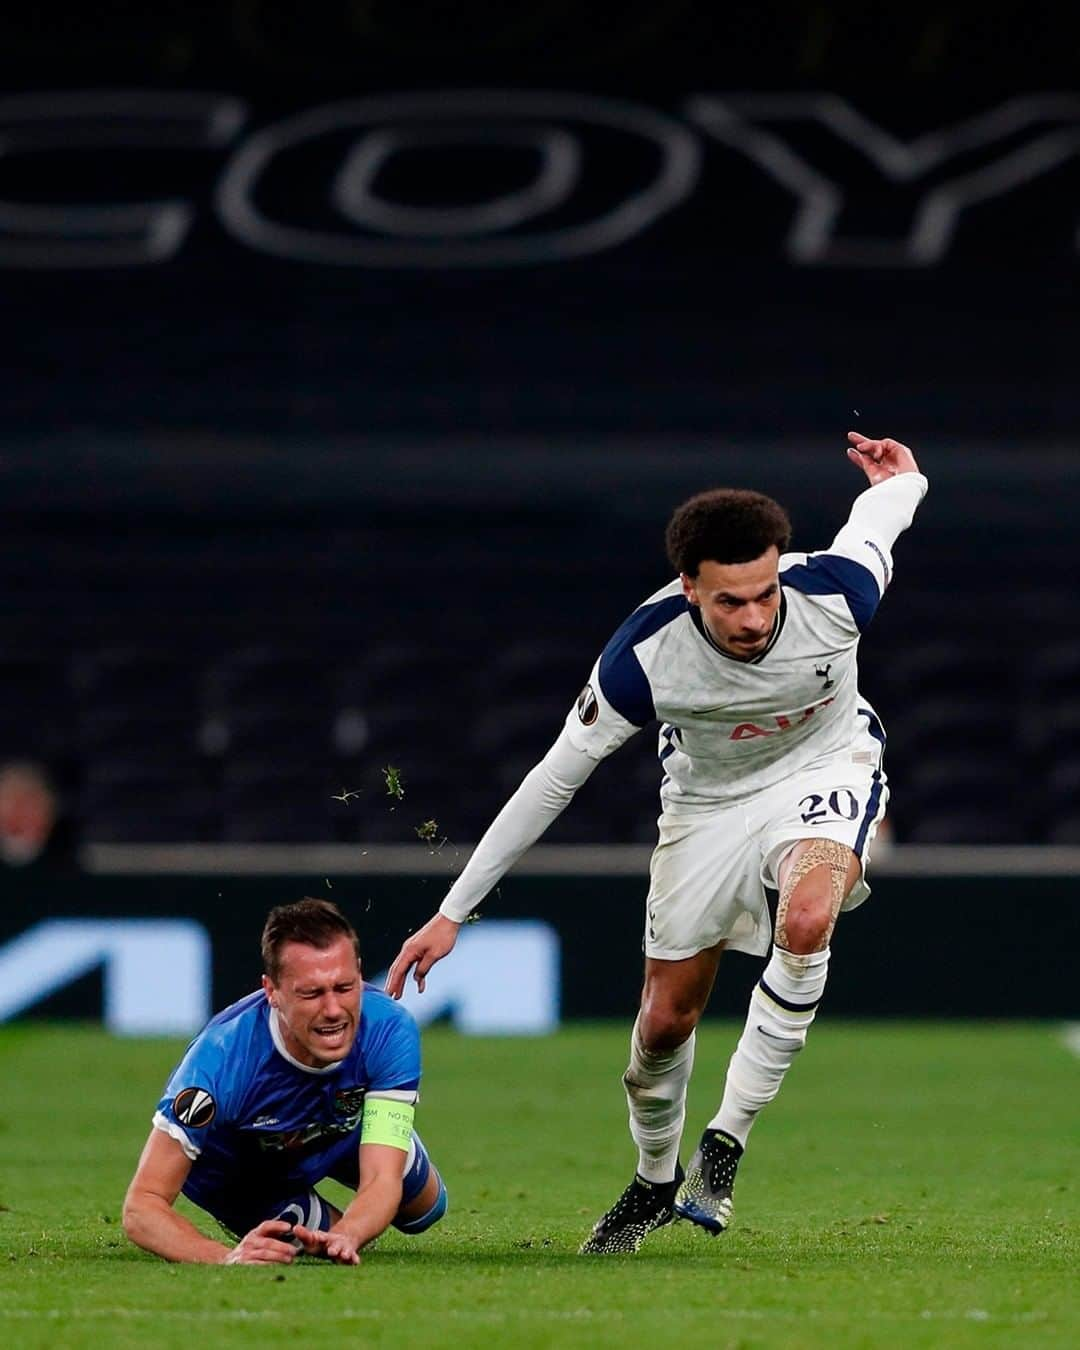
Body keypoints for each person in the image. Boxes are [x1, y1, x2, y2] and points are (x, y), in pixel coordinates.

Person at [387, 432, 927, 1253]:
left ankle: (726, 1142)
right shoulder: (643, 655)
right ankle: (652, 1180)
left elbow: (883, 515)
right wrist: (452, 912)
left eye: (762, 594)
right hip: (705, 808)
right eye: (727, 602)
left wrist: (904, 476)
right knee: (665, 1022)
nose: (752, 618)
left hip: (826, 766)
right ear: (689, 588)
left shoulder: (836, 594)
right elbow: (551, 781)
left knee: (810, 918)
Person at [123, 897, 447, 1265]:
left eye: (344, 987)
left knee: (425, 1209)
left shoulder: (389, 1029)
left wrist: (349, 1235)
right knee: (315, 1246)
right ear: (272, 991)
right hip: (244, 1170)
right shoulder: (218, 1063)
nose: (333, 1011)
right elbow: (141, 1206)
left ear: (359, 973)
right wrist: (226, 1258)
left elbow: (381, 1180)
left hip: (338, 1129)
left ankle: (382, 1127)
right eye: (311, 993)